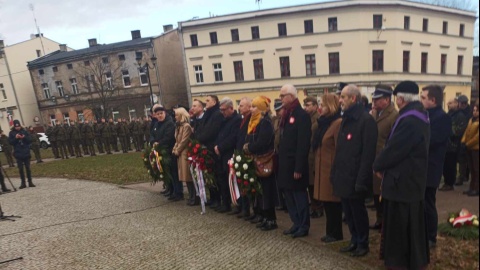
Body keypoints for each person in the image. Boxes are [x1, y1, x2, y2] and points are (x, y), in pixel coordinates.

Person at [373, 80, 430, 270]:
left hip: (403, 184)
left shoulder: (411, 119)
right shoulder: (416, 114)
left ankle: (401, 263)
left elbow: (394, 149)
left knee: (402, 230)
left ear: (401, 99)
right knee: (408, 229)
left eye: (397, 98)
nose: (396, 102)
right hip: (407, 183)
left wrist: (378, 165)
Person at [331, 84, 377, 257]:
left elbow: (367, 154)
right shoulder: (346, 120)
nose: (340, 100)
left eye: (343, 97)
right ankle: (354, 239)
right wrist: (334, 172)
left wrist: (361, 179)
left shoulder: (366, 121)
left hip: (356, 177)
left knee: (358, 212)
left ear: (353, 98)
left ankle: (363, 243)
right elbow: (340, 150)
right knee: (348, 213)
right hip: (343, 175)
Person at [277, 84, 311, 239]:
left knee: (299, 195)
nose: (281, 98)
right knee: (289, 195)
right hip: (285, 164)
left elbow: (303, 144)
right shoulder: (286, 114)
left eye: (283, 95)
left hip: (295, 164)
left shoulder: (301, 115)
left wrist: (299, 168)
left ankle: (303, 225)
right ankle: (295, 222)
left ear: (291, 96)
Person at [421, 85, 451, 249]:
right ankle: (423, 233)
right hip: (421, 166)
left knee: (428, 202)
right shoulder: (425, 115)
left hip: (431, 167)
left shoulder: (442, 118)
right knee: (421, 202)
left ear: (433, 100)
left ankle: (431, 236)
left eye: (424, 98)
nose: (421, 100)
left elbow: (433, 140)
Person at [243, 96, 278, 231]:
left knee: (267, 191)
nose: (251, 109)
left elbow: (263, 142)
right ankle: (264, 216)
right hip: (256, 160)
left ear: (262, 108)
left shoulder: (266, 122)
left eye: (254, 106)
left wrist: (249, 147)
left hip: (264, 160)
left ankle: (271, 219)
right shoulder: (255, 122)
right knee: (260, 191)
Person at [312, 93, 343, 243]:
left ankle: (336, 233)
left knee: (333, 203)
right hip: (322, 168)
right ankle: (330, 232)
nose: (320, 108)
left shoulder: (337, 123)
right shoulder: (324, 123)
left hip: (330, 169)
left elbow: (339, 148)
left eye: (322, 105)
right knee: (327, 203)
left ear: (330, 106)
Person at [369, 85, 398, 231]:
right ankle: (380, 219)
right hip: (374, 159)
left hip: (384, 160)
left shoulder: (394, 115)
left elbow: (393, 141)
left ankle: (386, 222)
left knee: (383, 193)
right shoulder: (375, 113)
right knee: (375, 193)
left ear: (386, 100)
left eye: (377, 99)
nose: (373, 101)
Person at [195, 95, 223, 208]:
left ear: (214, 102)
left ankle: (218, 199)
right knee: (209, 175)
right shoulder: (208, 114)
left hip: (212, 148)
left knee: (215, 175)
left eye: (208, 100)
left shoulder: (217, 114)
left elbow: (211, 131)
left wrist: (200, 138)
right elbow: (202, 129)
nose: (206, 102)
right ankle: (213, 197)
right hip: (206, 148)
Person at [214, 97, 241, 213]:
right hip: (221, 154)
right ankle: (226, 203)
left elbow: (233, 137)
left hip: (230, 154)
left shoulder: (237, 120)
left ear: (231, 108)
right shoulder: (223, 120)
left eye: (224, 110)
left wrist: (220, 147)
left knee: (233, 181)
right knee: (223, 180)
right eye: (221, 110)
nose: (222, 112)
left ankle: (237, 204)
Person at [151, 105, 181, 201]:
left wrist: (159, 143)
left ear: (165, 113)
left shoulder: (169, 123)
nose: (160, 116)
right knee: (166, 172)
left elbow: (169, 137)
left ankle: (178, 192)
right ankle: (171, 190)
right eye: (158, 114)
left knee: (173, 172)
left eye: (161, 113)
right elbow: (152, 134)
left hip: (169, 150)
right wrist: (153, 142)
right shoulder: (157, 124)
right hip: (161, 151)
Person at [441, 98, 468, 191]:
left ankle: (450, 183)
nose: (448, 104)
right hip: (446, 144)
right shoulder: (449, 115)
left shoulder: (460, 116)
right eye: (448, 103)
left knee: (451, 165)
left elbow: (460, 130)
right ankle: (446, 182)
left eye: (450, 103)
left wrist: (449, 131)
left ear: (456, 104)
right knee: (445, 165)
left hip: (454, 145)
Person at [303, 96, 323, 219]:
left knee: (315, 183)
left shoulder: (318, 119)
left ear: (315, 106)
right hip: (308, 154)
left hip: (314, 154)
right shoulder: (307, 119)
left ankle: (319, 208)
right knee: (310, 184)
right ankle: (314, 207)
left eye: (309, 105)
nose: (306, 107)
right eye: (305, 105)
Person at [173, 107, 197, 205]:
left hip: (185, 153)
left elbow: (184, 140)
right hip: (180, 153)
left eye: (177, 115)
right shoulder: (179, 126)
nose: (175, 117)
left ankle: (194, 197)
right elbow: (177, 140)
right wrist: (174, 149)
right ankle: (191, 196)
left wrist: (177, 150)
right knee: (185, 177)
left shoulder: (186, 126)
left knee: (188, 176)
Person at [235, 97, 253, 219]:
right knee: (242, 183)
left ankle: (249, 209)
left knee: (247, 183)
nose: (239, 107)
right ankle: (245, 209)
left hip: (247, 155)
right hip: (240, 154)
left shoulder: (250, 119)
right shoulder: (243, 119)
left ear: (248, 107)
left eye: (241, 105)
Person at [8, 120, 35, 189]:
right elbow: (10, 142)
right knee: (20, 169)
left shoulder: (24, 131)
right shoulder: (11, 133)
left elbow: (29, 140)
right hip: (18, 153)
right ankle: (23, 183)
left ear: (20, 125)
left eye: (18, 126)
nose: (17, 128)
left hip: (26, 152)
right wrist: (16, 138)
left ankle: (30, 181)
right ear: (14, 126)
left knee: (28, 168)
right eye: (16, 126)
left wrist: (24, 137)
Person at [462, 101, 479, 196]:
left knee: (477, 169)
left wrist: (468, 143)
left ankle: (476, 188)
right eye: (474, 110)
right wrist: (463, 141)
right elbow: (466, 131)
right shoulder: (471, 120)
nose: (474, 112)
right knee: (472, 169)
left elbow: (477, 137)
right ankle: (471, 187)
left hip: (476, 148)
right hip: (469, 148)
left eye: (477, 111)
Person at [456, 95, 471, 186]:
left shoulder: (469, 113)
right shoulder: (462, 112)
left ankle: (463, 177)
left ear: (462, 104)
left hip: (467, 139)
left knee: (466, 159)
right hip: (461, 139)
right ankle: (463, 176)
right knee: (462, 159)